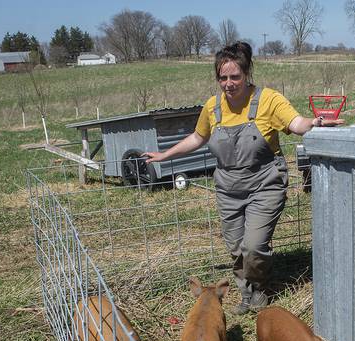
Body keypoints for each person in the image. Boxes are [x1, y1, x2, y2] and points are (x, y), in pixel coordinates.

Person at [144, 42, 343, 315]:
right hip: (228, 187)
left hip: (265, 183)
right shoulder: (212, 108)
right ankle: (245, 293)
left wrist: (315, 122)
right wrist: (165, 155)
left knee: (254, 245)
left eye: (235, 76)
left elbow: (295, 123)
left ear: (247, 73)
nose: (228, 83)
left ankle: (259, 289)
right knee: (237, 248)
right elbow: (198, 137)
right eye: (222, 77)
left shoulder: (268, 100)